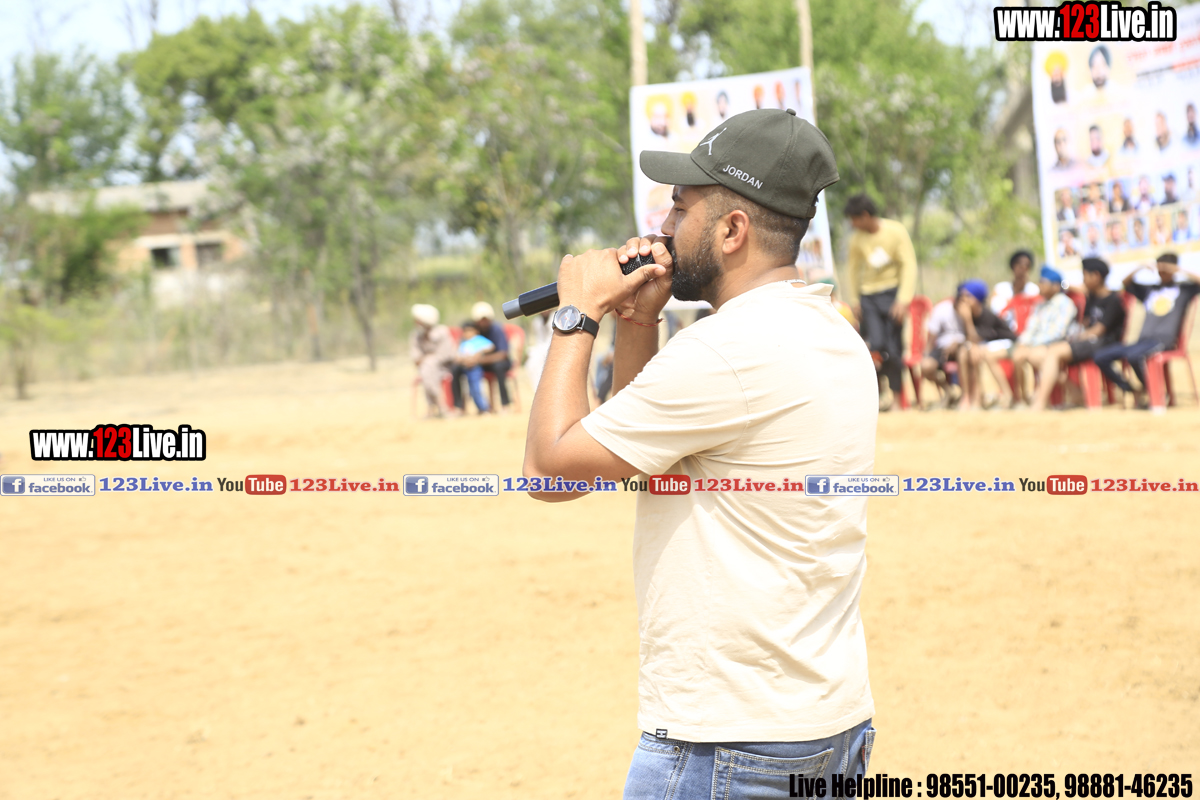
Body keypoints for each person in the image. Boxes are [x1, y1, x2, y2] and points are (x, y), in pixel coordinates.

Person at [521, 108, 876, 798]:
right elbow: (638, 460)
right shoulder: (827, 331)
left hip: (728, 743)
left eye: (680, 208)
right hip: (822, 723)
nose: (663, 226)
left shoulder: (726, 352)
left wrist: (576, 314)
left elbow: (549, 471)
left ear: (732, 230)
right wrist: (638, 320)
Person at [843, 193, 918, 410]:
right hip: (868, 298)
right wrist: (855, 300)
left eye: (854, 219)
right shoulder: (856, 239)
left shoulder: (896, 231)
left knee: (894, 349)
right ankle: (876, 397)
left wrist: (903, 300)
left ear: (865, 216)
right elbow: (853, 270)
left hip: (893, 296)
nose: (852, 224)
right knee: (875, 346)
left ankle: (897, 401)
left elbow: (909, 265)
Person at [1095, 253, 1200, 407]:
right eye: (1160, 269)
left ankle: (1155, 392)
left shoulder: (1184, 290)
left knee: (1134, 356)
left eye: (1166, 269)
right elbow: (1125, 283)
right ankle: (1134, 390)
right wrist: (1141, 267)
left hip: (1163, 340)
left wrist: (1179, 270)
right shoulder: (1150, 290)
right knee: (1100, 356)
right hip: (1142, 342)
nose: (1162, 272)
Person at [1028, 258, 1125, 411]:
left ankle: (1040, 402)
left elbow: (1099, 330)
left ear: (1096, 276)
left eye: (1085, 275)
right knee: (1042, 353)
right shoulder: (1092, 298)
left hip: (1104, 343)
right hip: (1087, 342)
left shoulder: (1113, 300)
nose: (1083, 280)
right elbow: (1085, 323)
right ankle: (1072, 394)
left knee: (1054, 351)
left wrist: (1077, 337)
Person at [1010, 266, 1078, 406]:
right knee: (1018, 355)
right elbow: (1031, 328)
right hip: (1037, 345)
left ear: (1055, 286)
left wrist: (1032, 345)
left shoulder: (1065, 304)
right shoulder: (1040, 305)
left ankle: (1044, 398)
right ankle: (1022, 399)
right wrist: (1023, 343)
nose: (1039, 286)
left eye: (1043, 283)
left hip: (1057, 345)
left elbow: (1058, 333)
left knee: (1035, 355)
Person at [957, 278, 1017, 409]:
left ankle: (1007, 395)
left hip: (1007, 342)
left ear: (977, 298)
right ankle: (971, 396)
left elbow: (977, 338)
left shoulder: (985, 314)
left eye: (968, 296)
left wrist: (967, 320)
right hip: (990, 345)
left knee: (981, 352)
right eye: (962, 297)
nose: (964, 300)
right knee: (966, 352)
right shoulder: (969, 313)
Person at [450, 301, 512, 413]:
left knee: (499, 367)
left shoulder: (496, 330)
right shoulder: (471, 331)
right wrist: (465, 360)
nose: (483, 322)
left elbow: (503, 354)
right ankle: (458, 407)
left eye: (486, 319)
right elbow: (461, 350)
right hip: (475, 364)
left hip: (495, 362)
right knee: (455, 369)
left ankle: (505, 405)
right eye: (481, 320)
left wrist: (478, 360)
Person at [920, 289, 967, 408]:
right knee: (926, 366)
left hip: (964, 347)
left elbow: (974, 338)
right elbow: (932, 336)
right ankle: (948, 391)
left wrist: (968, 320)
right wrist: (926, 355)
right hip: (941, 348)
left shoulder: (971, 312)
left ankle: (965, 396)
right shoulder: (942, 309)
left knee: (964, 354)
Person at [409, 304, 456, 417]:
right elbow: (416, 359)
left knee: (428, 367)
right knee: (427, 369)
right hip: (426, 369)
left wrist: (429, 360)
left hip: (444, 368)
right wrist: (429, 360)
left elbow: (447, 355)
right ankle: (441, 406)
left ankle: (432, 408)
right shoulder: (415, 336)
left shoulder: (442, 332)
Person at [990, 249, 1042, 331]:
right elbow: (998, 313)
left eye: (1026, 266)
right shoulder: (1000, 289)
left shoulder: (1033, 290)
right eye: (1020, 265)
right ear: (1013, 266)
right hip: (1004, 331)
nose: (1023, 269)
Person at [456, 322, 495, 414]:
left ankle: (484, 408)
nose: (467, 333)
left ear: (475, 331)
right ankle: (478, 408)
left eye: (469, 331)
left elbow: (491, 346)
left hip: (475, 369)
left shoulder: (479, 340)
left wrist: (479, 353)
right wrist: (464, 360)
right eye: (465, 331)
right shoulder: (463, 343)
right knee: (470, 390)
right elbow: (458, 356)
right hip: (466, 368)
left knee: (476, 389)